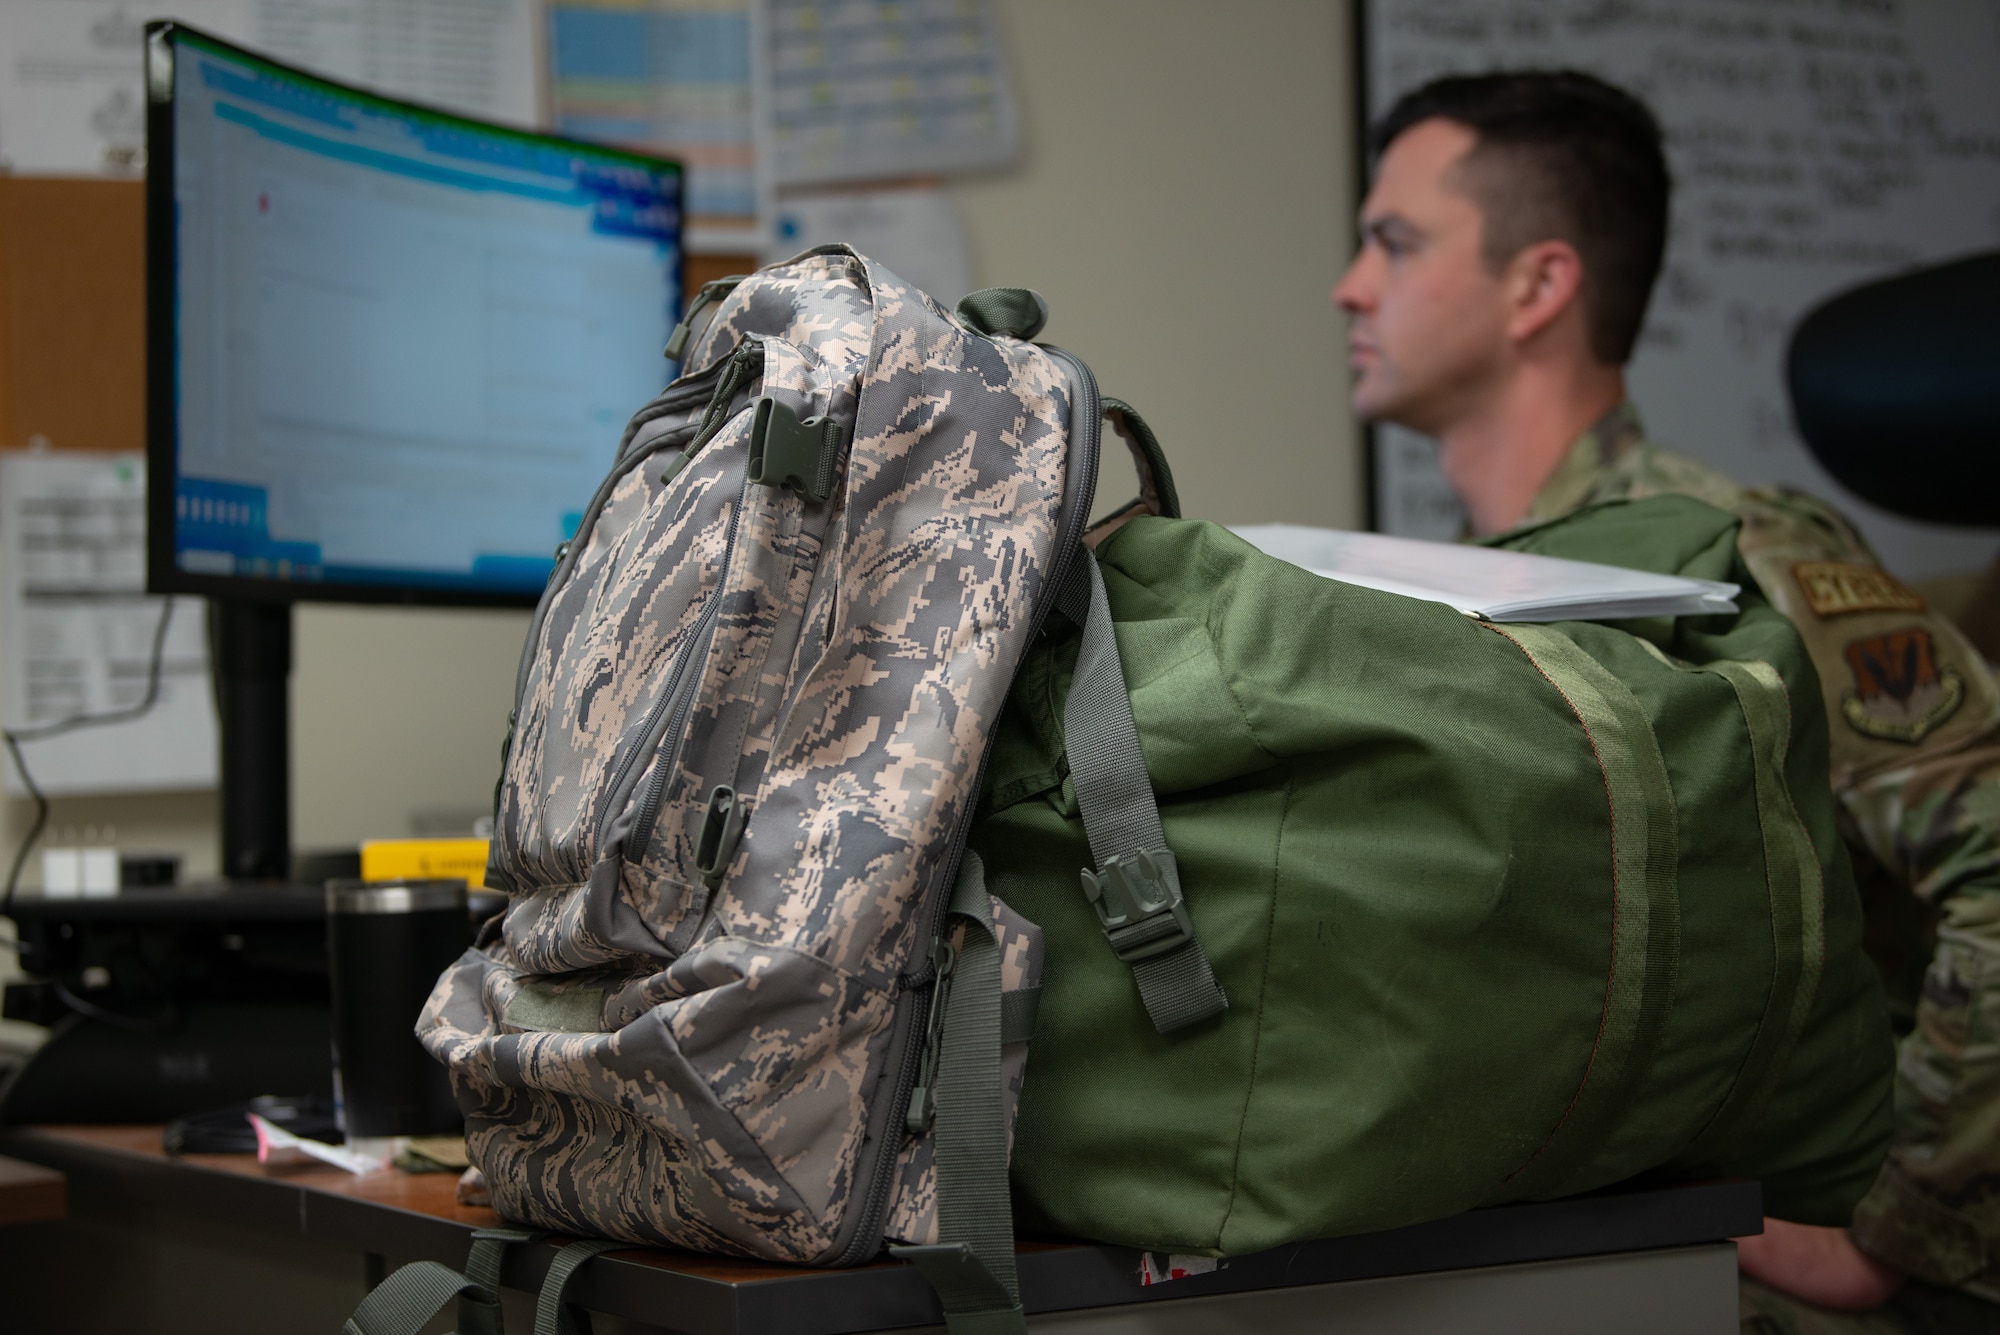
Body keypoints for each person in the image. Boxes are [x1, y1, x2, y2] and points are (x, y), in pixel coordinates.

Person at [1335, 70, 2000, 1334]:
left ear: (1537, 285)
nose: (1349, 286)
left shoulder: (1727, 560)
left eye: (1393, 242)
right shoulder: (1423, 596)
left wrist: (1906, 1234)